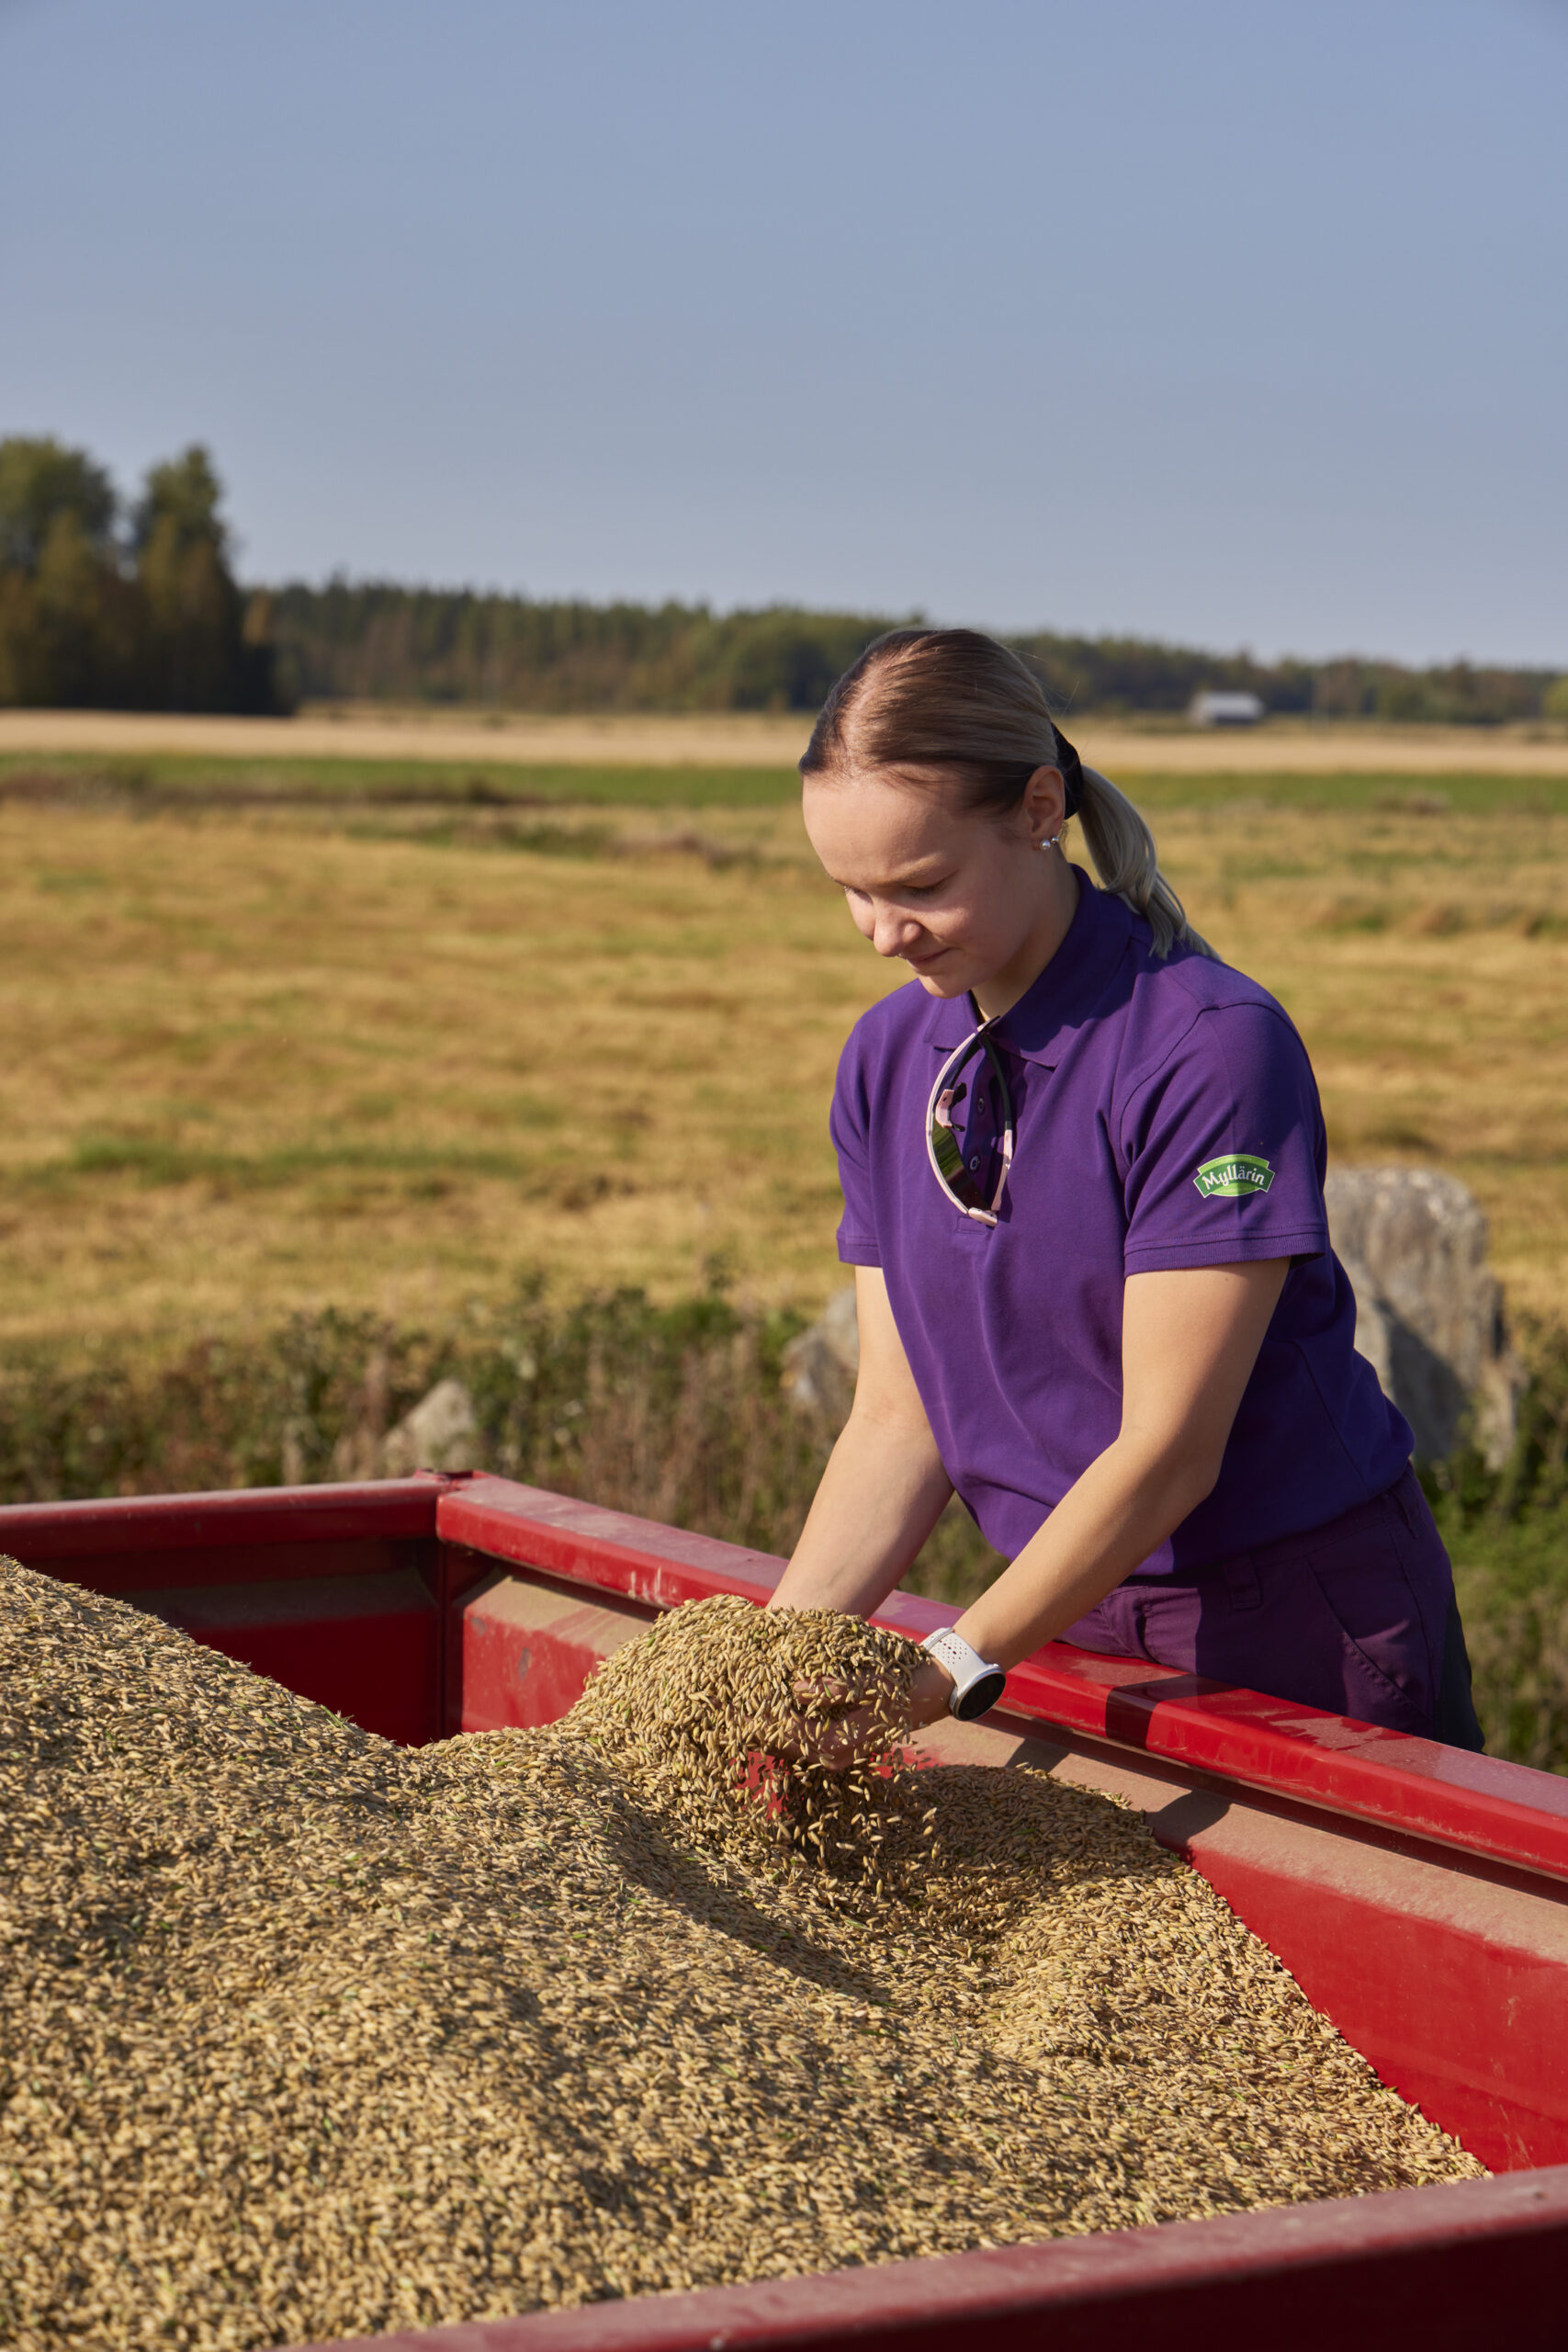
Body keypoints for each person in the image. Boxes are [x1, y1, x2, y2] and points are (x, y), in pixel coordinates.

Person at [767, 627, 1483, 1752]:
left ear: (1039, 806)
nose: (881, 934)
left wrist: (946, 1667)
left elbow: (1167, 1451)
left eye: (921, 885)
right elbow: (898, 1422)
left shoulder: (1208, 1051)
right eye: (850, 892)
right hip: (1064, 1610)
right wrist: (766, 1666)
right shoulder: (886, 1059)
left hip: (1290, 1623)